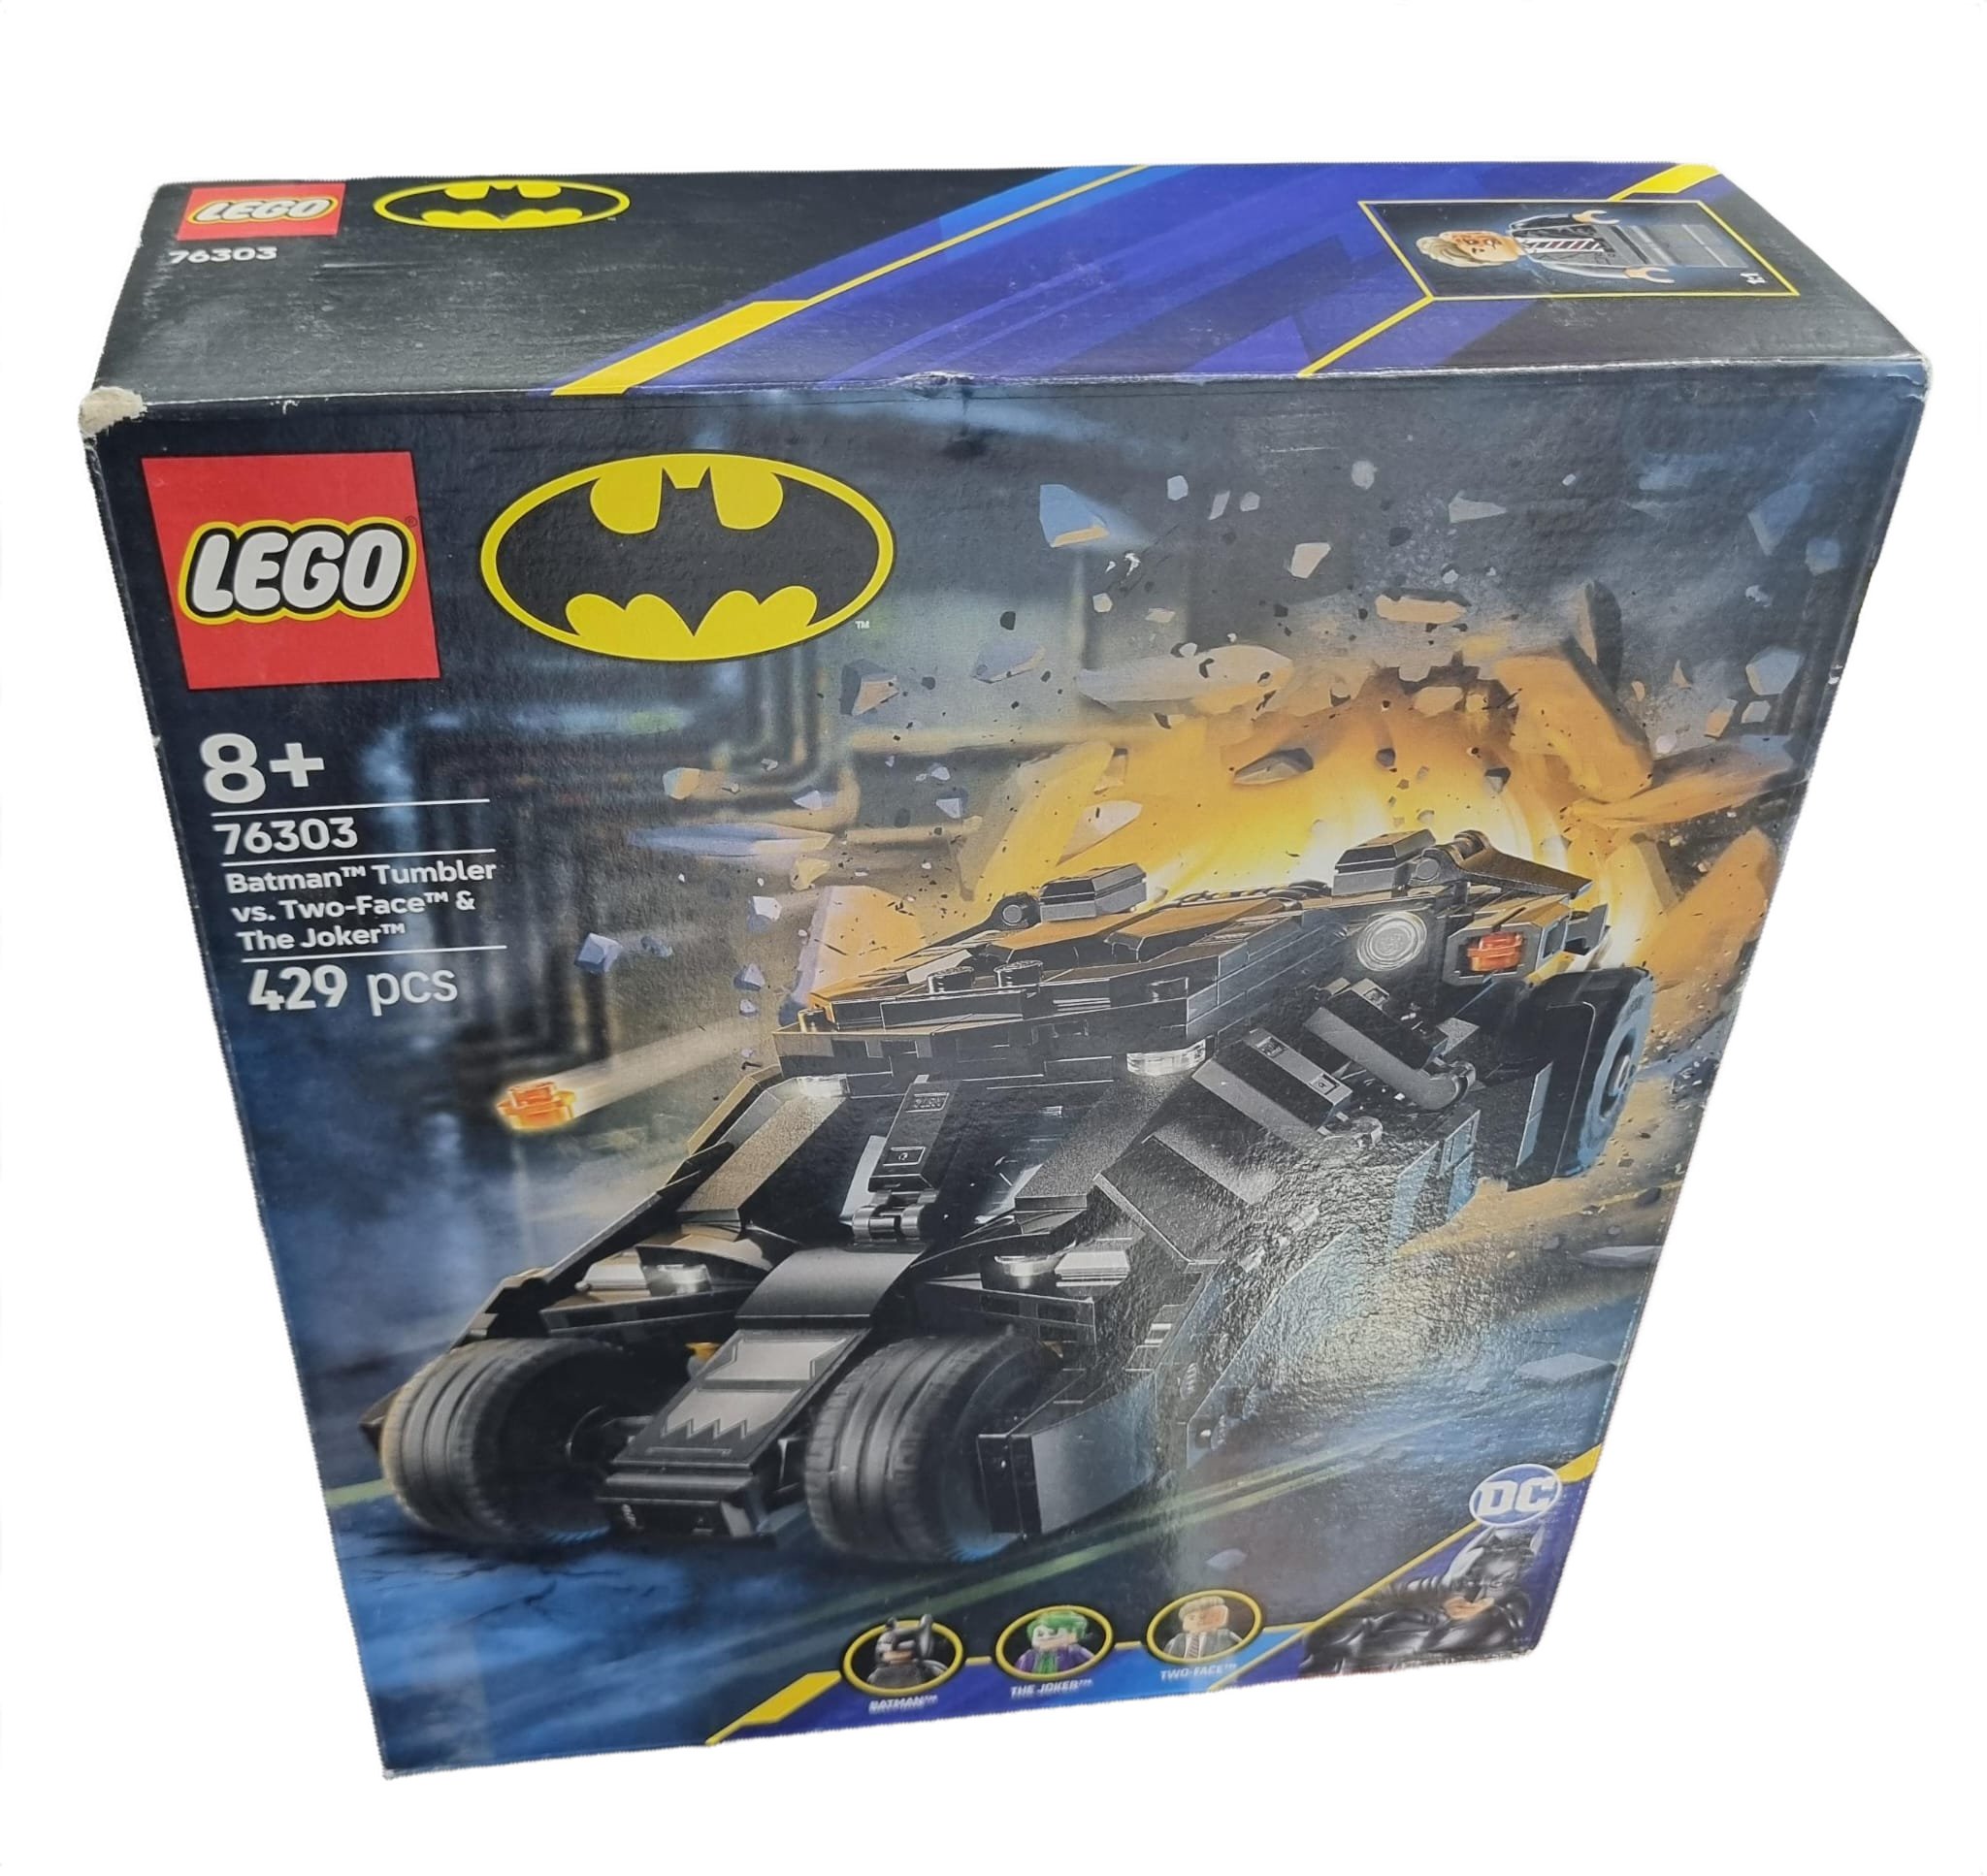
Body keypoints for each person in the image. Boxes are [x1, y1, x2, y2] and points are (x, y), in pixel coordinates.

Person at [1162, 1594, 1244, 1661]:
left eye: (1205, 1616)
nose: (1199, 1621)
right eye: (1192, 1618)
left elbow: (1243, 1654)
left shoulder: (1226, 1636)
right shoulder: (1175, 1642)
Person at [1015, 1609, 1094, 1675]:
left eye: (1053, 1633)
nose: (1046, 1638)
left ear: (1072, 1636)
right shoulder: (1027, 1658)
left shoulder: (1075, 1652)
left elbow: (1094, 1668)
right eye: (1040, 1634)